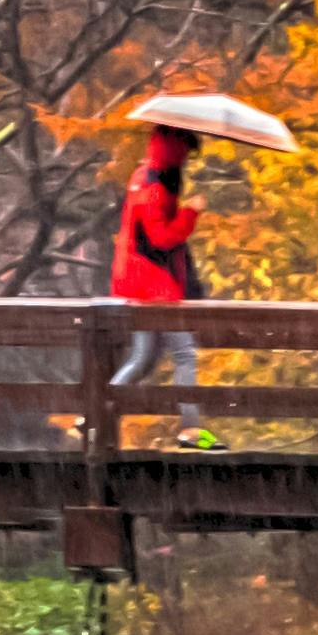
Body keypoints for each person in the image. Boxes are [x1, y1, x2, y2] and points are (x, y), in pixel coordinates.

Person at [108, 124, 207, 439]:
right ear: (176, 149)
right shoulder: (156, 187)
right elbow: (161, 238)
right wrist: (190, 213)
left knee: (144, 357)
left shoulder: (143, 177)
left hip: (135, 280)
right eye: (186, 153)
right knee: (184, 354)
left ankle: (97, 412)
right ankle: (191, 429)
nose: (187, 160)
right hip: (153, 285)